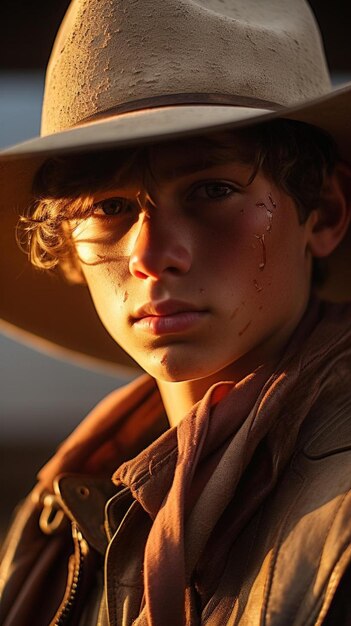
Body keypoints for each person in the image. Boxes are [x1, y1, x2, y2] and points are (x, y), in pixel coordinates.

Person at [1, 0, 351, 624]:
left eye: (213, 190)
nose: (152, 254)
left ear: (321, 212)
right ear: (69, 250)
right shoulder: (65, 510)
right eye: (109, 207)